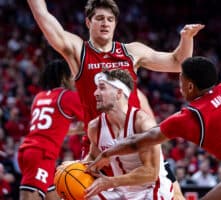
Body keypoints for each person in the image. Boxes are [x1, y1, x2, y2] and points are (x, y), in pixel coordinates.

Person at [26, 0, 203, 198]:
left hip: (136, 138)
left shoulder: (131, 51)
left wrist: (186, 38)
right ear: (88, 23)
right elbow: (44, 18)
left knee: (174, 194)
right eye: (99, 18)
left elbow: (178, 63)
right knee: (77, 189)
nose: (105, 23)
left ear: (115, 24)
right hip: (100, 140)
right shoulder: (79, 51)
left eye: (110, 19)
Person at [86, 56, 221, 200]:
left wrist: (108, 152)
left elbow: (139, 140)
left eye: (180, 79)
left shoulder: (188, 117)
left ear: (189, 85)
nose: (178, 85)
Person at [83, 70, 173, 199]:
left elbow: (151, 173)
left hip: (151, 189)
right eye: (96, 88)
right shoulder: (95, 127)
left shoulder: (143, 123)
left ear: (119, 93)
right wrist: (73, 169)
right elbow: (93, 157)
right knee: (81, 194)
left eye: (102, 88)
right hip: (121, 190)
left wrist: (110, 182)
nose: (95, 93)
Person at [18, 59, 84, 200]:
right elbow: (93, 119)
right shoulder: (68, 96)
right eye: (71, 75)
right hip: (42, 155)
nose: (74, 79)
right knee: (29, 196)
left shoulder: (39, 97)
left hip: (30, 151)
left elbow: (48, 129)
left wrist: (73, 131)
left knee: (53, 196)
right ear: (63, 77)